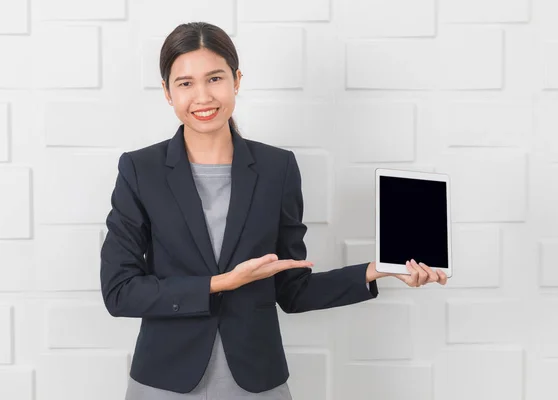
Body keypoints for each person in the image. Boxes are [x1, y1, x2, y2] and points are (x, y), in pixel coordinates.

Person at [100, 21, 448, 400]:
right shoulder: (140, 170)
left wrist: (375, 271)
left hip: (255, 382)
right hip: (162, 381)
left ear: (236, 79)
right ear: (167, 92)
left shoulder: (276, 169)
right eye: (185, 83)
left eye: (215, 78)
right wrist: (220, 284)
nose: (202, 96)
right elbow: (120, 292)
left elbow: (292, 289)